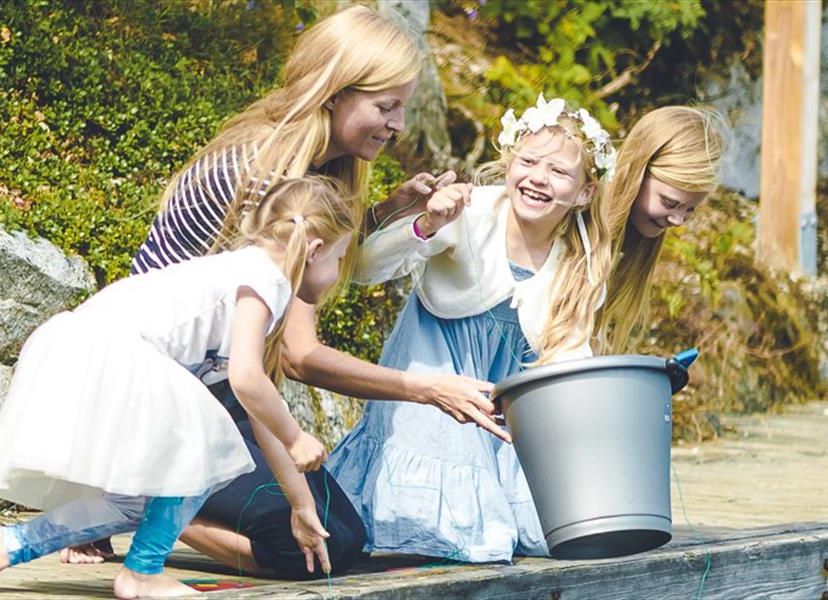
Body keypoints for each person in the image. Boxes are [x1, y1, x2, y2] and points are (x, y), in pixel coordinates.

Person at [63, 6, 506, 579]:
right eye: (385, 106)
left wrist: (390, 212)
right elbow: (297, 354)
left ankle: (144, 494)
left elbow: (316, 263)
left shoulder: (317, 169)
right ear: (334, 92)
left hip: (210, 387)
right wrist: (424, 388)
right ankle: (121, 497)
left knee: (343, 539)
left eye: (403, 106)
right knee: (305, 553)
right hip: (151, 395)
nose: (397, 124)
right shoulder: (268, 175)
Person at [0, 178, 355, 598]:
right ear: (315, 249)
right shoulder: (267, 279)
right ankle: (143, 569)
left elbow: (257, 409)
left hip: (89, 347)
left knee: (131, 502)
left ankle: (7, 543)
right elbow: (247, 380)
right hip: (121, 353)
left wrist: (302, 506)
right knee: (207, 446)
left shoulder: (243, 270)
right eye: (341, 258)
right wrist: (297, 436)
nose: (338, 273)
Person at [326, 95, 617, 563]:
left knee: (550, 532)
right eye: (528, 162)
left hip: (506, 409)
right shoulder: (470, 212)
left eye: (559, 172)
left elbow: (569, 356)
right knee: (455, 528)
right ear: (508, 164)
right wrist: (424, 224)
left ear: (584, 192)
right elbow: (362, 269)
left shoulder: (581, 262)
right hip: (437, 379)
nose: (538, 177)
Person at [595, 106, 726, 351]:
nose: (677, 220)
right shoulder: (577, 225)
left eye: (690, 210)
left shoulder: (632, 243)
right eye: (669, 203)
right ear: (636, 173)